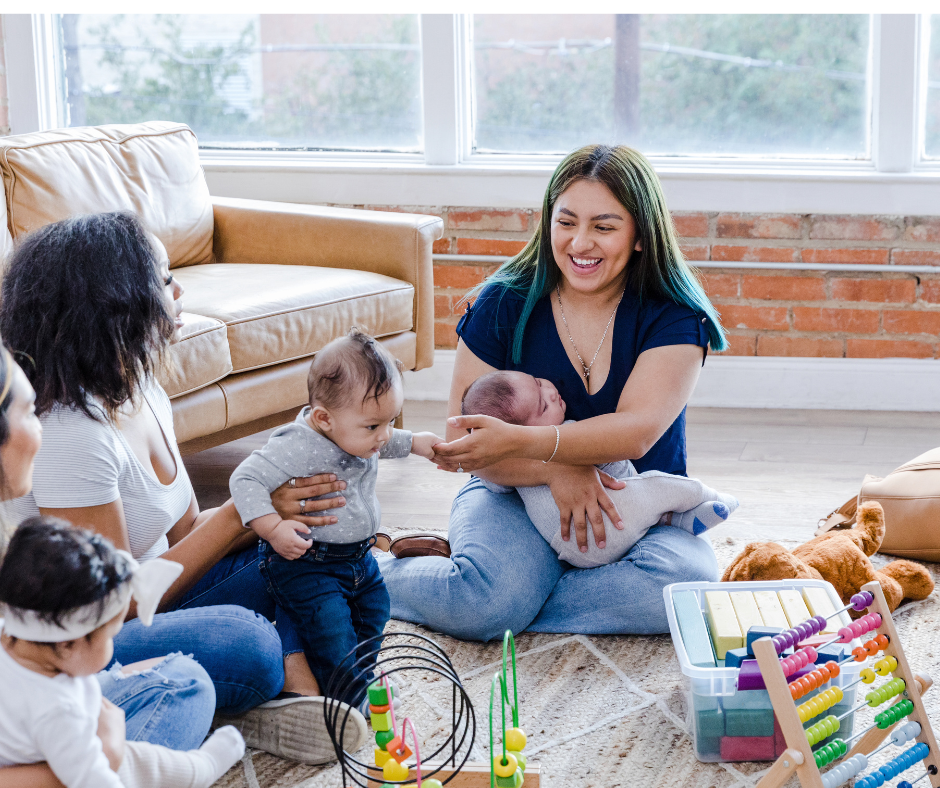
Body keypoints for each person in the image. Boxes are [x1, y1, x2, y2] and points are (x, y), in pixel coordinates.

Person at [0, 212, 366, 763]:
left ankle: (265, 694)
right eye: (164, 278)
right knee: (250, 644)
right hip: (97, 629)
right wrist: (243, 514)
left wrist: (274, 504)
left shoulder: (142, 388)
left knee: (320, 551)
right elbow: (110, 608)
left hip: (164, 593)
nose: (178, 290)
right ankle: (233, 693)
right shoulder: (72, 435)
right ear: (117, 303)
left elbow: (185, 533)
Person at [377, 144, 727, 641]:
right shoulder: (503, 301)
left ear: (640, 237)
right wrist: (556, 469)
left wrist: (559, 457)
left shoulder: (674, 316)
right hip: (513, 493)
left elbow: (636, 434)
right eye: (566, 222)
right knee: (490, 604)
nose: (580, 243)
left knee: (685, 590)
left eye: (604, 227)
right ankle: (372, 577)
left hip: (639, 502)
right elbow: (464, 440)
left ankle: (504, 592)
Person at [0, 343, 218, 788]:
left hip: (38, 697)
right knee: (229, 651)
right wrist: (104, 754)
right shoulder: (76, 435)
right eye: (28, 413)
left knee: (186, 679)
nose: (42, 428)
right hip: (37, 731)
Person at [230, 329, 442, 710]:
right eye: (374, 426)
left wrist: (416, 442)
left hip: (359, 558)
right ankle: (348, 702)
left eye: (390, 420)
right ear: (324, 418)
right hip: (309, 564)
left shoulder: (359, 429)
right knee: (331, 629)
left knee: (375, 611)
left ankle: (355, 675)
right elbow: (244, 479)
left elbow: (384, 438)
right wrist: (272, 528)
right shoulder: (297, 443)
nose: (384, 435)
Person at [0, 518, 245, 788]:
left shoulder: (12, 634)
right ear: (69, 644)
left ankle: (196, 769)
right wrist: (112, 743)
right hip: (66, 757)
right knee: (135, 762)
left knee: (180, 685)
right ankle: (199, 770)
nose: (112, 644)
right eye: (108, 636)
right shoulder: (59, 712)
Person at [460, 370, 738, 569]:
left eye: (537, 381)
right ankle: (710, 496)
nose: (550, 391)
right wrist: (554, 469)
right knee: (660, 488)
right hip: (605, 525)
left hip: (568, 547)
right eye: (544, 406)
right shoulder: (567, 433)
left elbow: (493, 481)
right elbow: (613, 460)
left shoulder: (506, 469)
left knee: (683, 567)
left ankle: (677, 521)